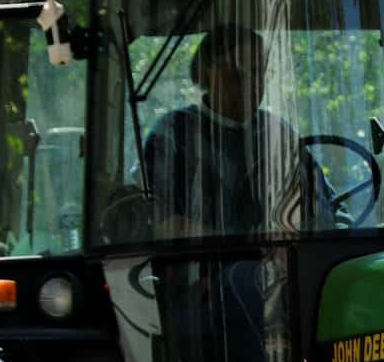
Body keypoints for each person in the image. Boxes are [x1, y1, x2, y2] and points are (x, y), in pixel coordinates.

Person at [141, 23, 331, 236]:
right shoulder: (174, 133)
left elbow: (326, 206)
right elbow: (164, 223)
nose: (251, 83)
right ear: (205, 74)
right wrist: (250, 249)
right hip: (207, 266)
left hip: (288, 263)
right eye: (237, 72)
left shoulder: (280, 133)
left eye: (259, 71)